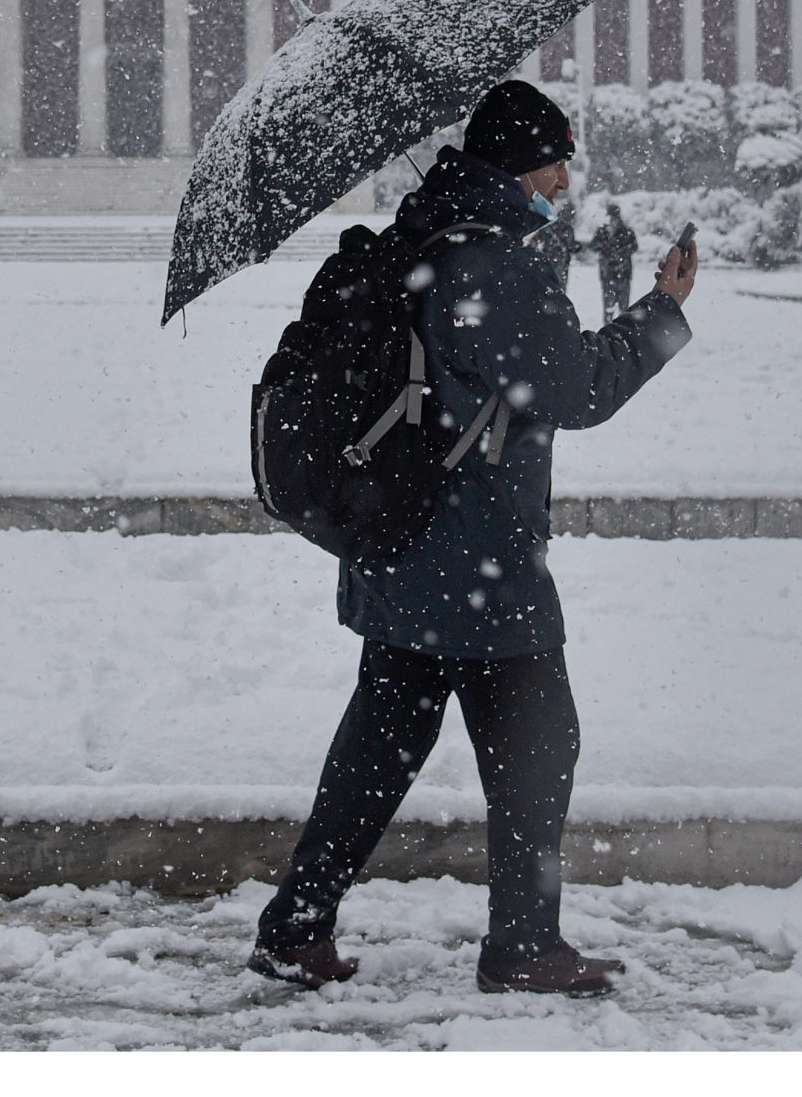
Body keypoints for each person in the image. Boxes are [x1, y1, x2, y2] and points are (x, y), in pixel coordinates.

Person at [253, 80, 695, 1000]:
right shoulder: (491, 263)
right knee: (541, 742)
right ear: (517, 164)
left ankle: (296, 926)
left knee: (378, 748)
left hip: (401, 543)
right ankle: (524, 946)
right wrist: (661, 310)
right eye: (554, 160)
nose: (565, 180)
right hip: (475, 558)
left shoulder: (422, 238)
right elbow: (577, 390)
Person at [591, 202, 638, 320]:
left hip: (616, 274)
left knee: (614, 310)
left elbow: (633, 247)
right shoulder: (607, 231)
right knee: (616, 310)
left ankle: (612, 332)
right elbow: (594, 246)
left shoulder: (622, 231)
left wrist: (613, 249)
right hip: (614, 275)